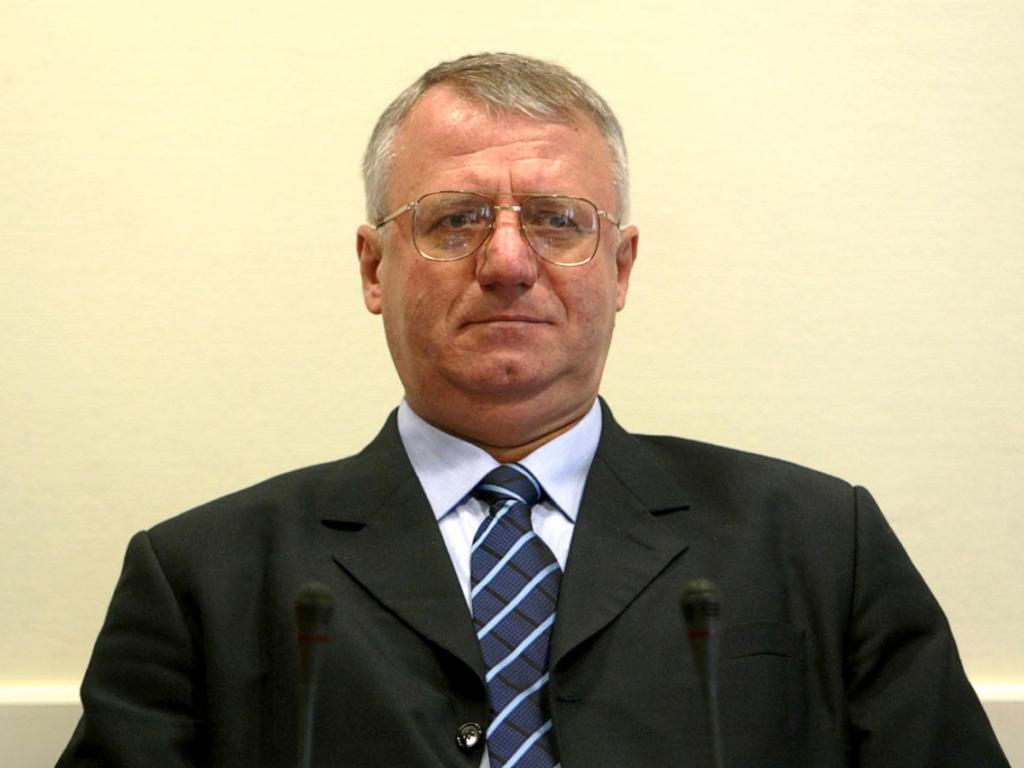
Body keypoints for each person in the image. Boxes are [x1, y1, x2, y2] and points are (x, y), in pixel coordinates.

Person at [58, 52, 1008, 768]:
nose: (508, 262)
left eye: (557, 220)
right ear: (374, 269)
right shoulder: (201, 580)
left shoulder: (821, 545)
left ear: (620, 268)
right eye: (456, 219)